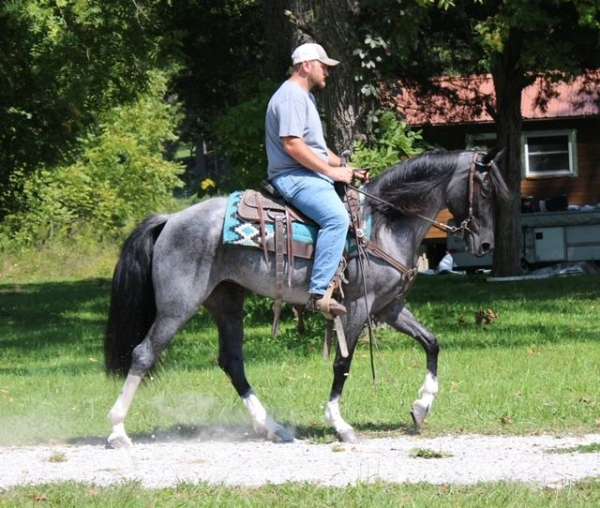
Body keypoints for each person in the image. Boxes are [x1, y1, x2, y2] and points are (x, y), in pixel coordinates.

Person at [265, 42, 353, 317]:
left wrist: (345, 165)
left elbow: (315, 148)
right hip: (294, 177)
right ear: (306, 65)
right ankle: (319, 294)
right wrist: (332, 173)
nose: (327, 71)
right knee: (337, 219)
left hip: (307, 174)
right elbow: (292, 145)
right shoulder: (291, 95)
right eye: (323, 65)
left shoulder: (305, 97)